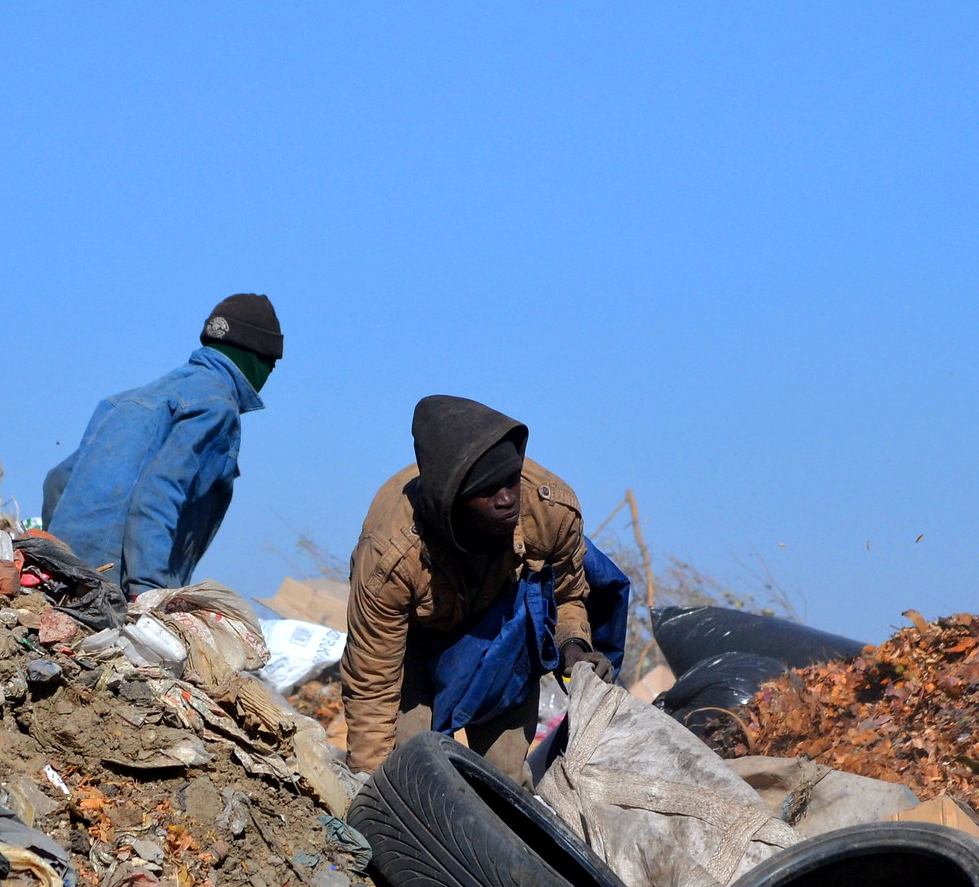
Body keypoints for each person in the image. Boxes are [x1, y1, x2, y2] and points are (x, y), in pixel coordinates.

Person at [340, 395, 628, 782]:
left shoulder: (550, 511)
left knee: (504, 782)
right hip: (416, 646)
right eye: (488, 490)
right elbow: (372, 677)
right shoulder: (391, 558)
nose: (507, 498)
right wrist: (368, 782)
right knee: (409, 770)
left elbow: (567, 596)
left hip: (504, 639)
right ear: (453, 500)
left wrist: (573, 648)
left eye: (511, 481)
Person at [42, 294, 281, 597]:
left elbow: (58, 480)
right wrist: (147, 591)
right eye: (271, 366)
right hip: (113, 588)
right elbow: (159, 493)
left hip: (62, 575)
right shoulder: (217, 407)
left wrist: (57, 556)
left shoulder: (125, 401)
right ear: (258, 358)